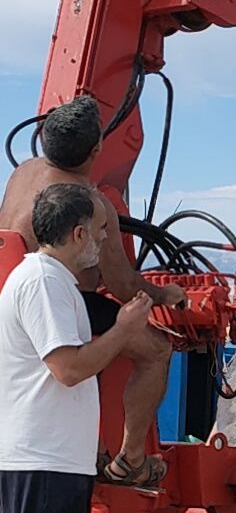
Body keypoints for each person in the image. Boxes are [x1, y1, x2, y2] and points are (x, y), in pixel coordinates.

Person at [0, 95, 184, 486]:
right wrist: (162, 294)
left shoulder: (23, 174)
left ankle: (96, 449)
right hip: (56, 300)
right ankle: (131, 460)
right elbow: (122, 285)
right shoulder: (89, 204)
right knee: (156, 350)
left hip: (10, 294)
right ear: (97, 149)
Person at [0, 185, 153, 513]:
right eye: (103, 233)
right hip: (43, 462)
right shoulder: (44, 283)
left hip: (52, 461)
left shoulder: (47, 282)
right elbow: (68, 368)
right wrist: (123, 329)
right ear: (79, 233)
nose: (106, 242)